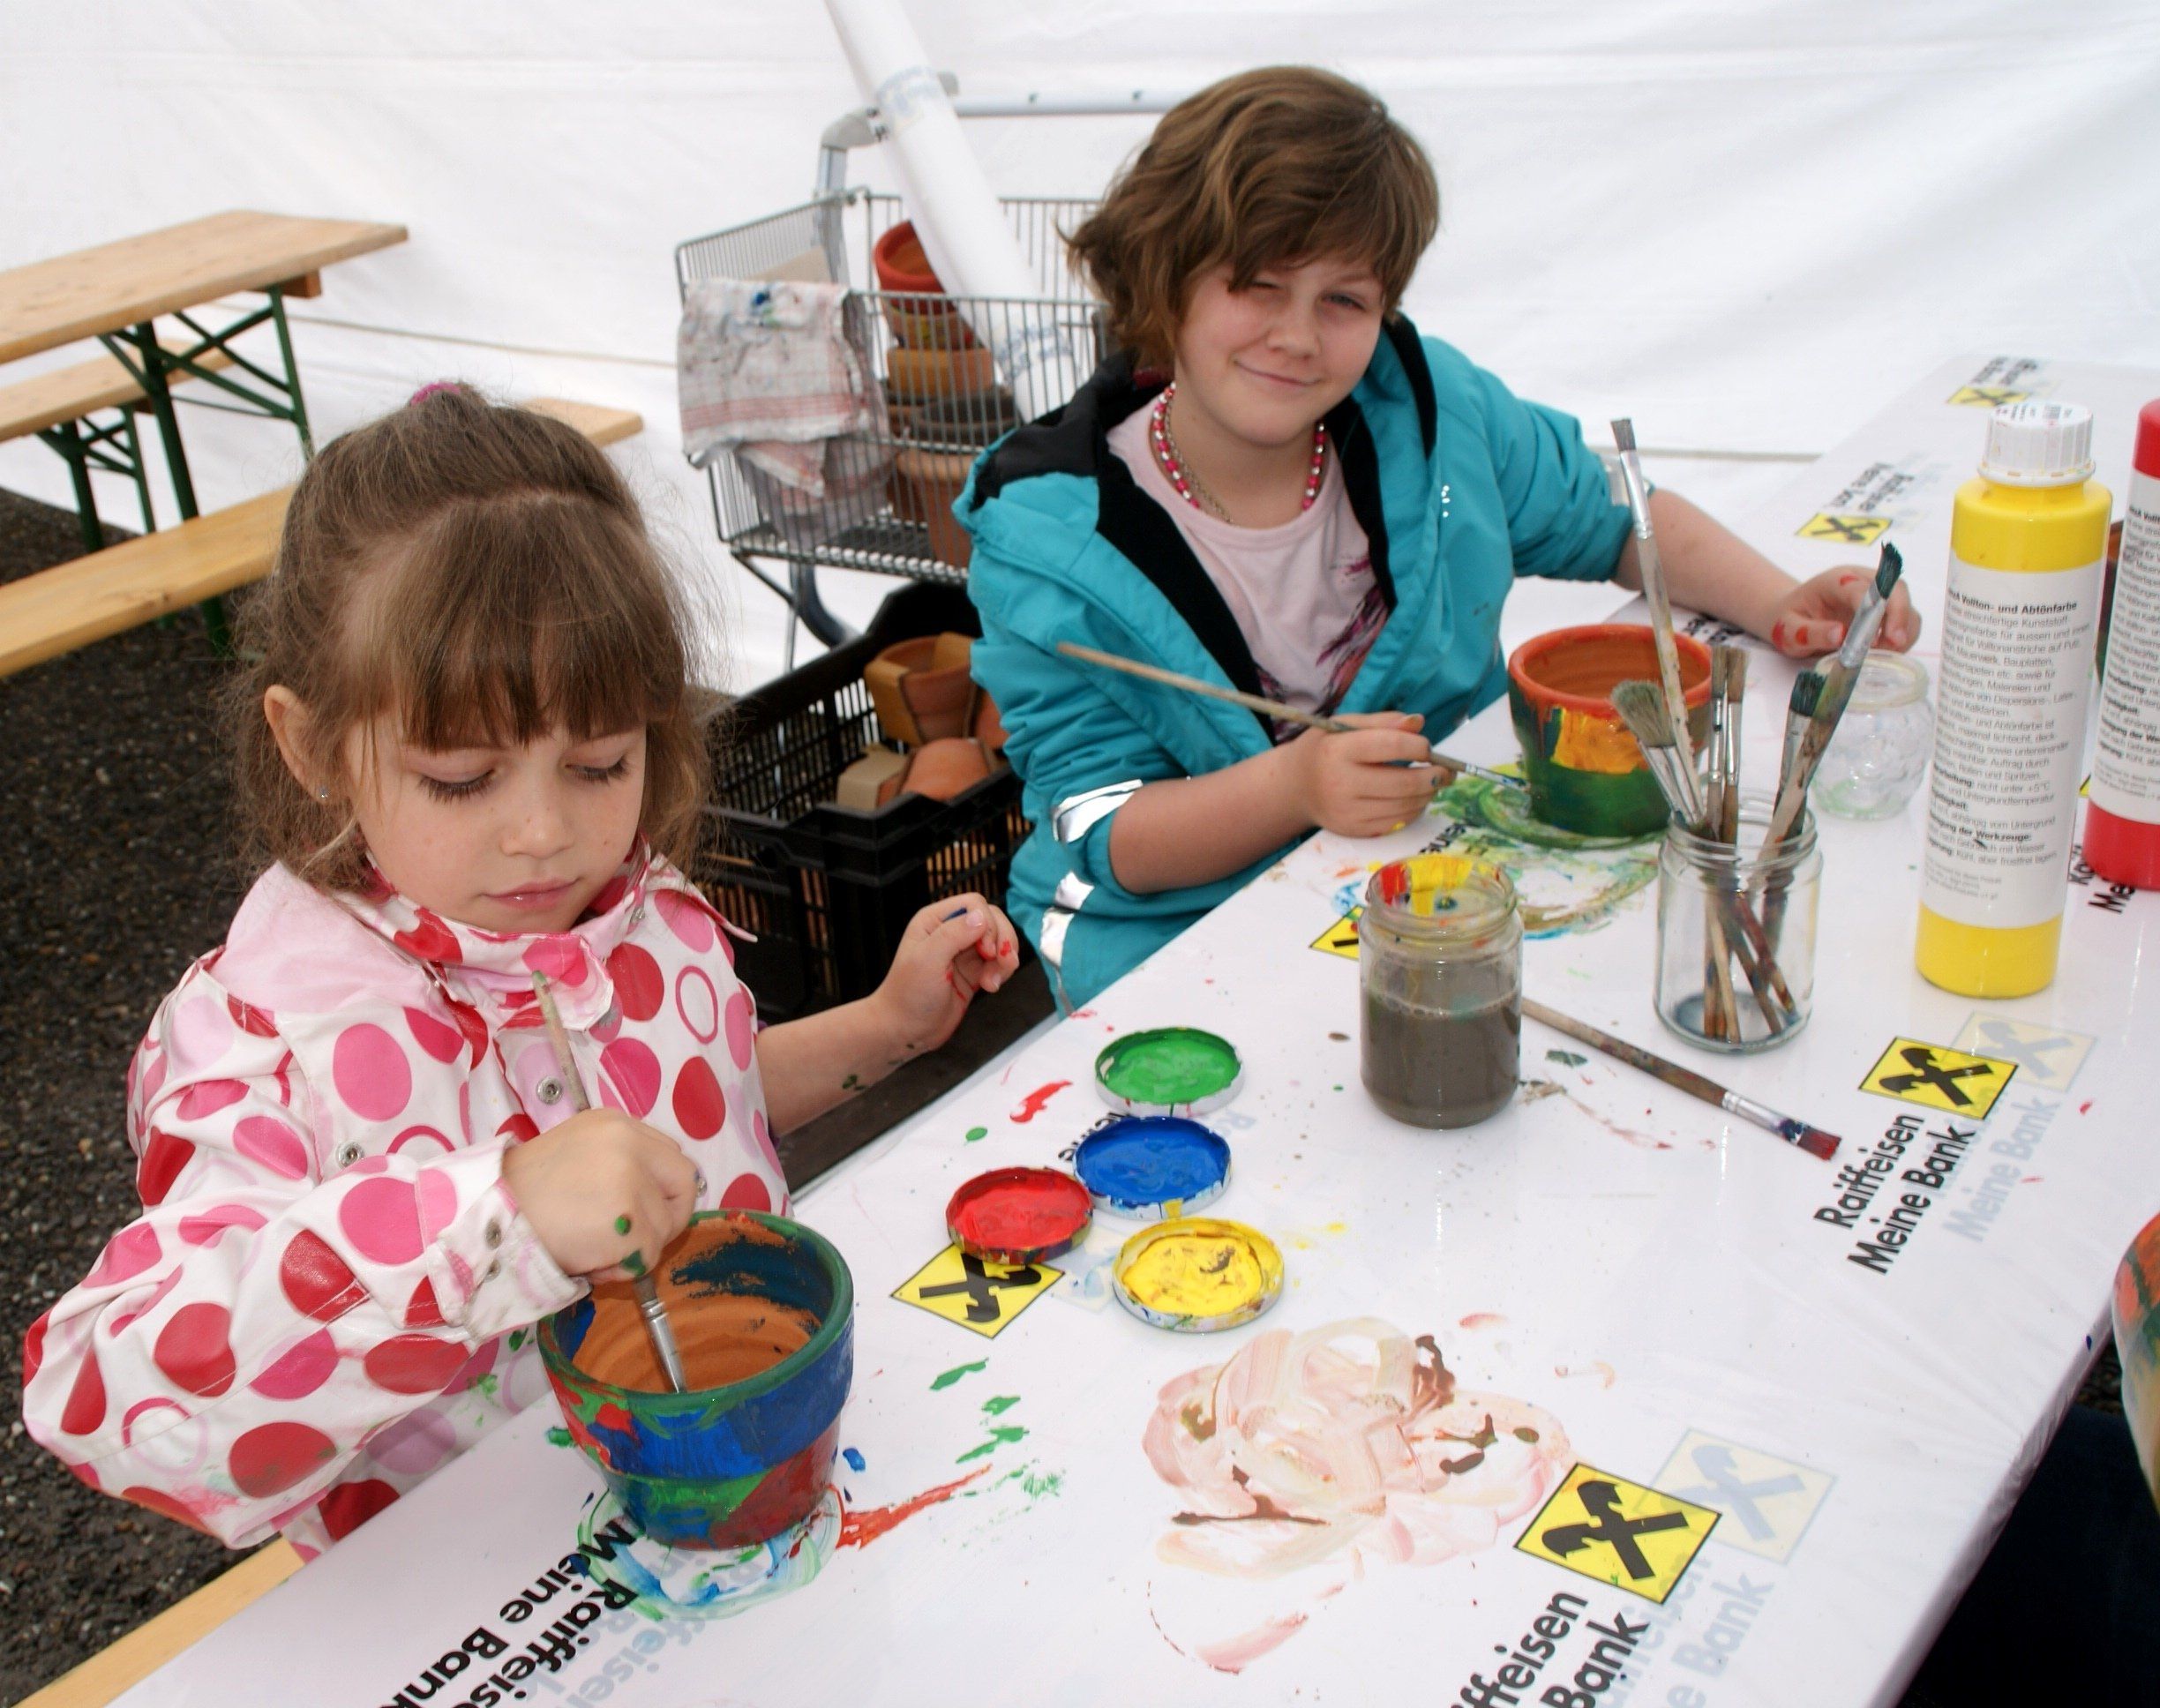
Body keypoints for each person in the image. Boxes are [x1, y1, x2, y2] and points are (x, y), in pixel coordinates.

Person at [19, 386, 1019, 1557]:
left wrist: (886, 1027)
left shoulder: (640, 916)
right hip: (479, 1589)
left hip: (733, 1481)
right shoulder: (267, 1038)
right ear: (311, 743)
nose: (545, 834)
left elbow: (702, 1108)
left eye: (600, 764)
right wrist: (492, 1230)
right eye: (461, 779)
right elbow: (111, 1396)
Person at [962, 66, 1917, 1008]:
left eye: (1344, 300)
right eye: (1257, 285)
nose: (1298, 336)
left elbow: (1615, 521)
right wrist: (1295, 786)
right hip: (1178, 952)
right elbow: (1105, 829)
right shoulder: (1046, 543)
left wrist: (1778, 601)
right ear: (1164, 277)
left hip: (1441, 889)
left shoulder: (1435, 412)